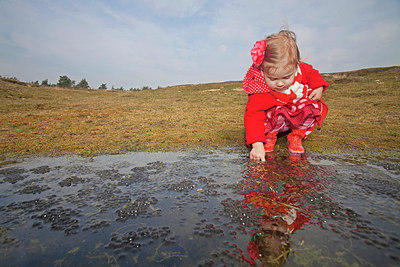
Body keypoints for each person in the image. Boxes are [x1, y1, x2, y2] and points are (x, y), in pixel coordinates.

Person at [243, 30, 329, 161]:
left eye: (286, 77)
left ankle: (296, 135)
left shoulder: (300, 70)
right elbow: (253, 117)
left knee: (312, 106)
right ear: (263, 71)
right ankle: (269, 137)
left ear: (296, 66)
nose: (280, 83)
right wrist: (257, 145)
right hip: (271, 124)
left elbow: (311, 73)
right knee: (274, 112)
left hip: (291, 119)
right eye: (273, 78)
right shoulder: (260, 90)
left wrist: (318, 87)